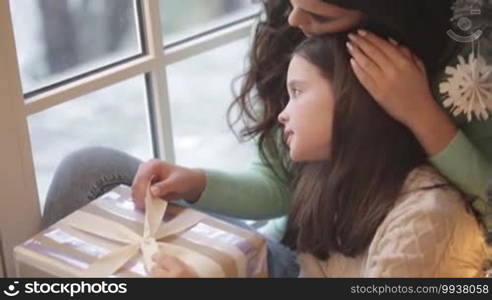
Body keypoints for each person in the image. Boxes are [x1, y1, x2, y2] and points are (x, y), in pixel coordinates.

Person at [42, 0, 492, 277]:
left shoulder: (424, 218)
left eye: (318, 13)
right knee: (89, 171)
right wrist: (198, 182)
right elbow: (280, 184)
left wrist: (421, 113)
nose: (294, 18)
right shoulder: (293, 24)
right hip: (291, 252)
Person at [152, 28, 489, 277]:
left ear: (350, 101)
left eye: (297, 92)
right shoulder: (327, 185)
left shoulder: (423, 222)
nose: (282, 114)